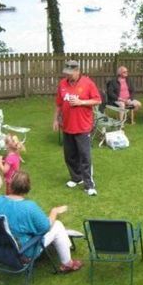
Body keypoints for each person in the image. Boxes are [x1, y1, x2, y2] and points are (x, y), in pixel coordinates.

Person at [0, 170, 83, 272]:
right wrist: (54, 212)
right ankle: (68, 263)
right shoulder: (29, 207)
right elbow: (46, 228)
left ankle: (65, 241)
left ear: (10, 184)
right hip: (22, 253)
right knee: (57, 225)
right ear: (28, 187)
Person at [52, 60, 101, 196]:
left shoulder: (88, 83)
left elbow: (98, 100)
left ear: (77, 71)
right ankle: (76, 178)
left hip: (83, 126)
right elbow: (58, 104)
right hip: (67, 126)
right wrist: (55, 119)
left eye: (70, 73)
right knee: (69, 156)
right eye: (66, 73)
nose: (68, 76)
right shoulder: (62, 84)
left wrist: (81, 102)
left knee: (85, 156)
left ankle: (89, 184)